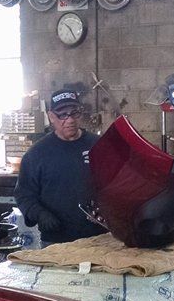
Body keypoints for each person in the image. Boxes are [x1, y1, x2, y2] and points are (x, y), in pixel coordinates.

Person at [13, 90, 105, 247]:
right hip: (55, 241)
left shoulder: (99, 146)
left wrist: (108, 208)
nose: (70, 120)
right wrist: (40, 214)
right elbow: (24, 195)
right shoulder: (37, 154)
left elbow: (118, 183)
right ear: (51, 116)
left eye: (74, 113)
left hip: (98, 239)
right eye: (63, 115)